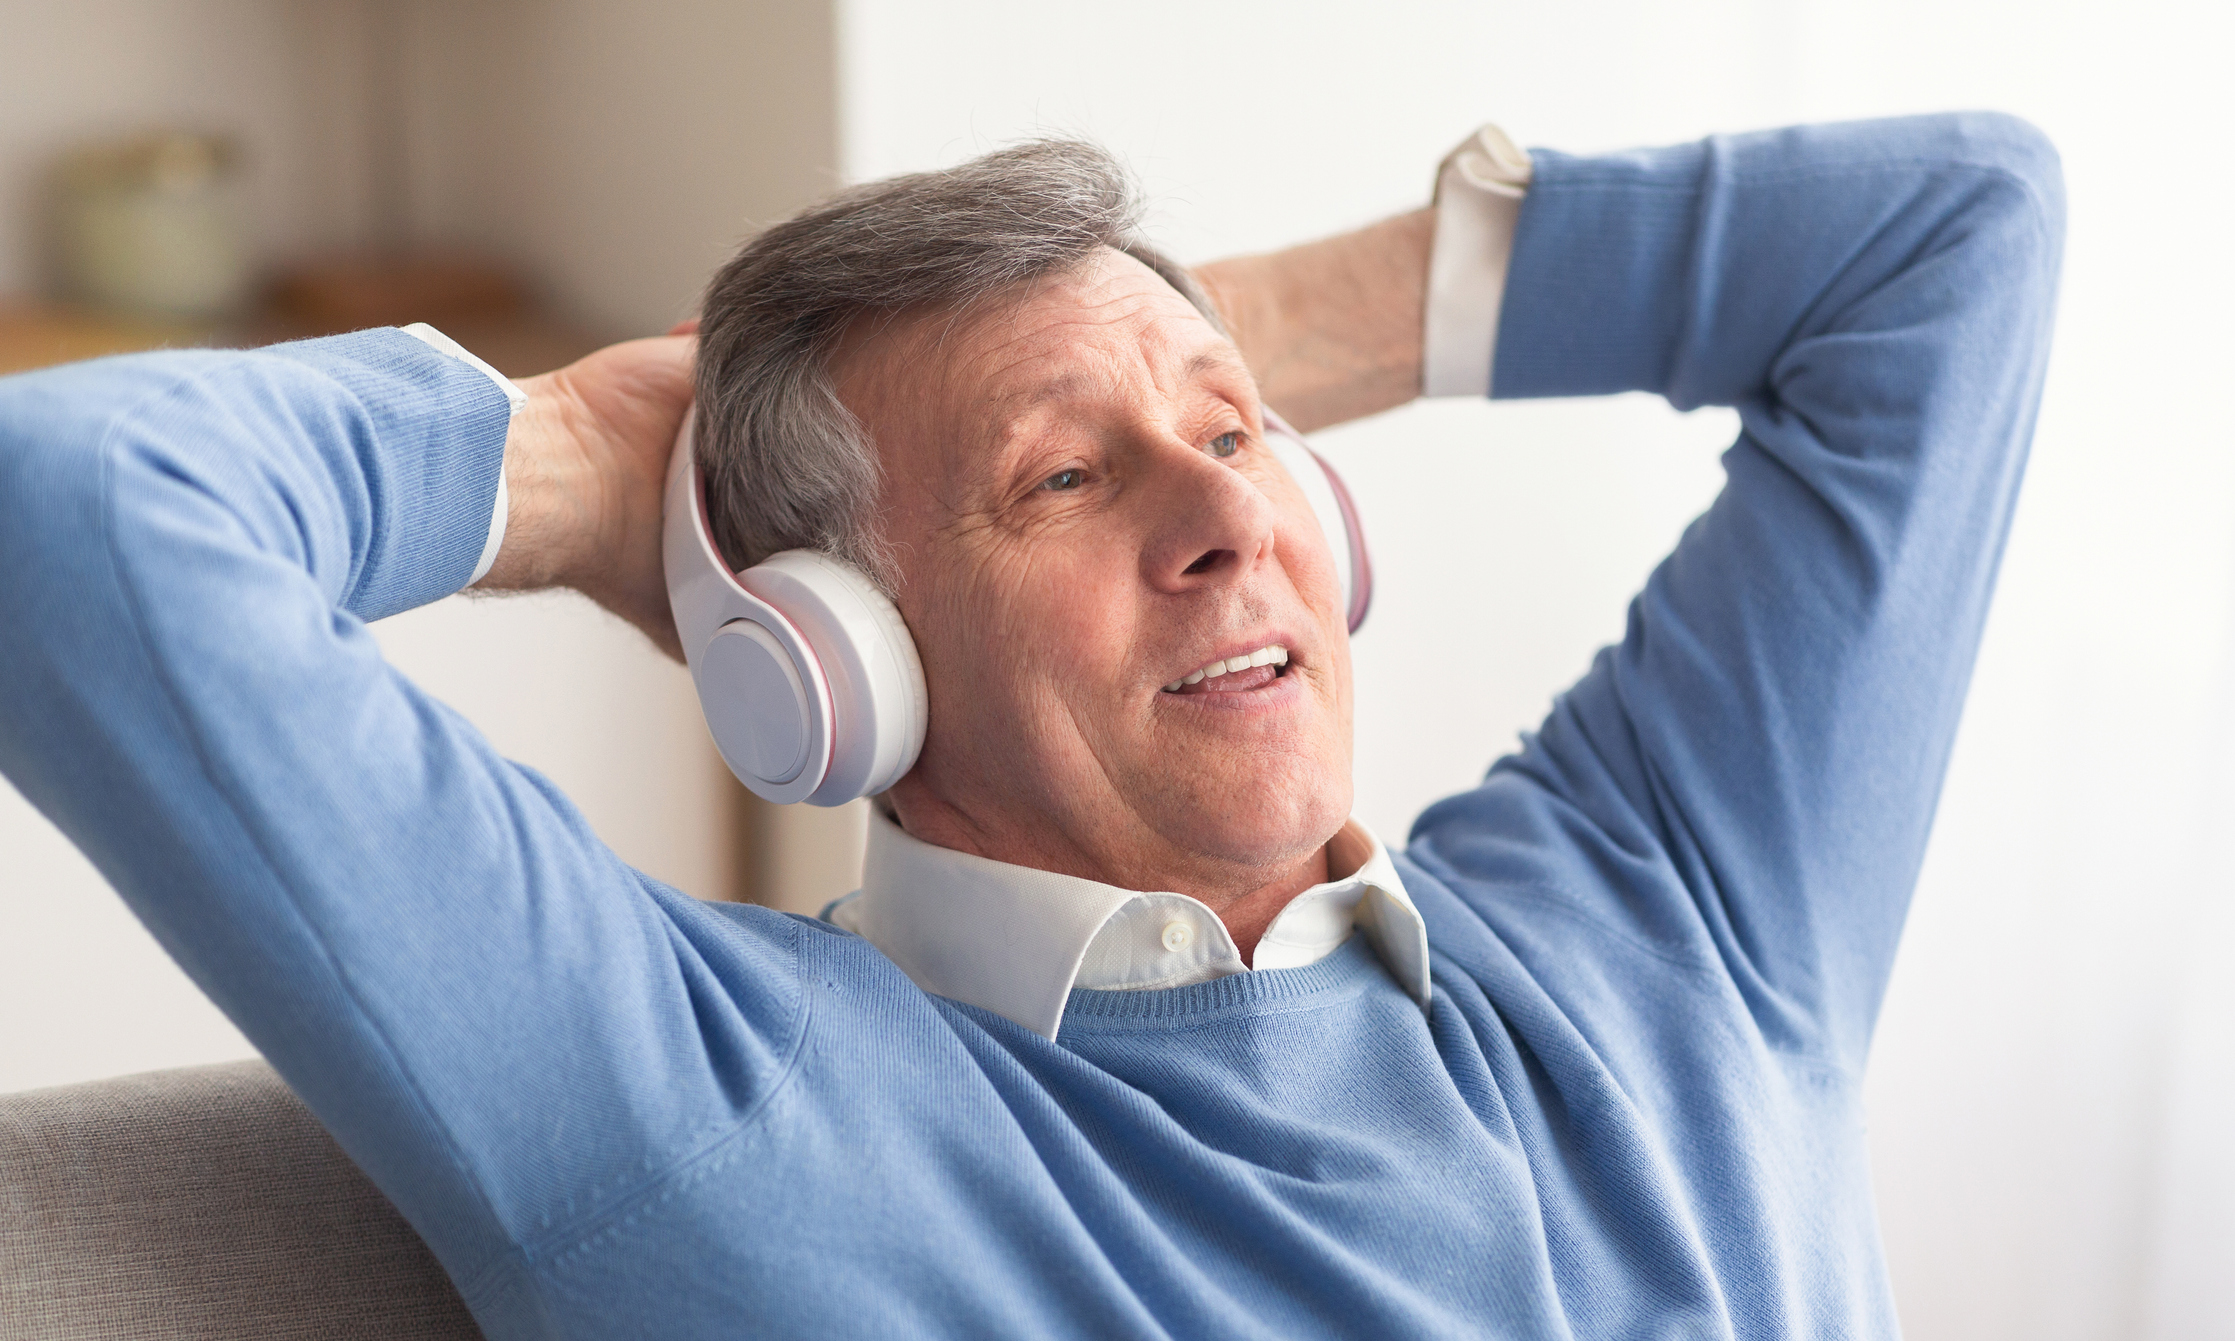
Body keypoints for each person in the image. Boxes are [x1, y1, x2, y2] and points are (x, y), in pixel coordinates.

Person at [0, 111, 2063, 1338]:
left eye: (1236, 434)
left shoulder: (1660, 906)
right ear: (823, 658)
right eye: (1062, 479)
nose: (1224, 520)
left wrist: (1211, 332)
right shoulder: (710, 1101)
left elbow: (1954, 230)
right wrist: (580, 451)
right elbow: (71, 518)